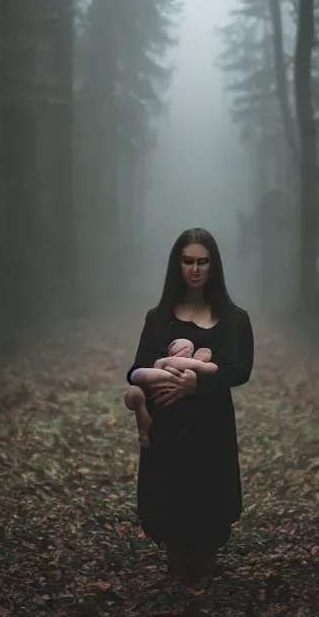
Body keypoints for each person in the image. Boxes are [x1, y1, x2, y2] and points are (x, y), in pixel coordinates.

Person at [125, 227, 254, 584]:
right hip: (167, 426)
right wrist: (160, 379)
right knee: (171, 498)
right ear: (176, 265)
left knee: (209, 497)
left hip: (212, 424)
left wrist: (198, 383)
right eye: (187, 261)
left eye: (202, 261)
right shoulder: (159, 318)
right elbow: (136, 368)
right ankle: (177, 570)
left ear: (213, 266)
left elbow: (240, 370)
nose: (195, 269)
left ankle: (205, 575)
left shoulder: (233, 318)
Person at [124, 339, 217, 448]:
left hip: (151, 384)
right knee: (152, 375)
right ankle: (165, 378)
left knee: (136, 391)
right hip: (163, 382)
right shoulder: (192, 362)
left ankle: (143, 424)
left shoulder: (164, 360)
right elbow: (212, 368)